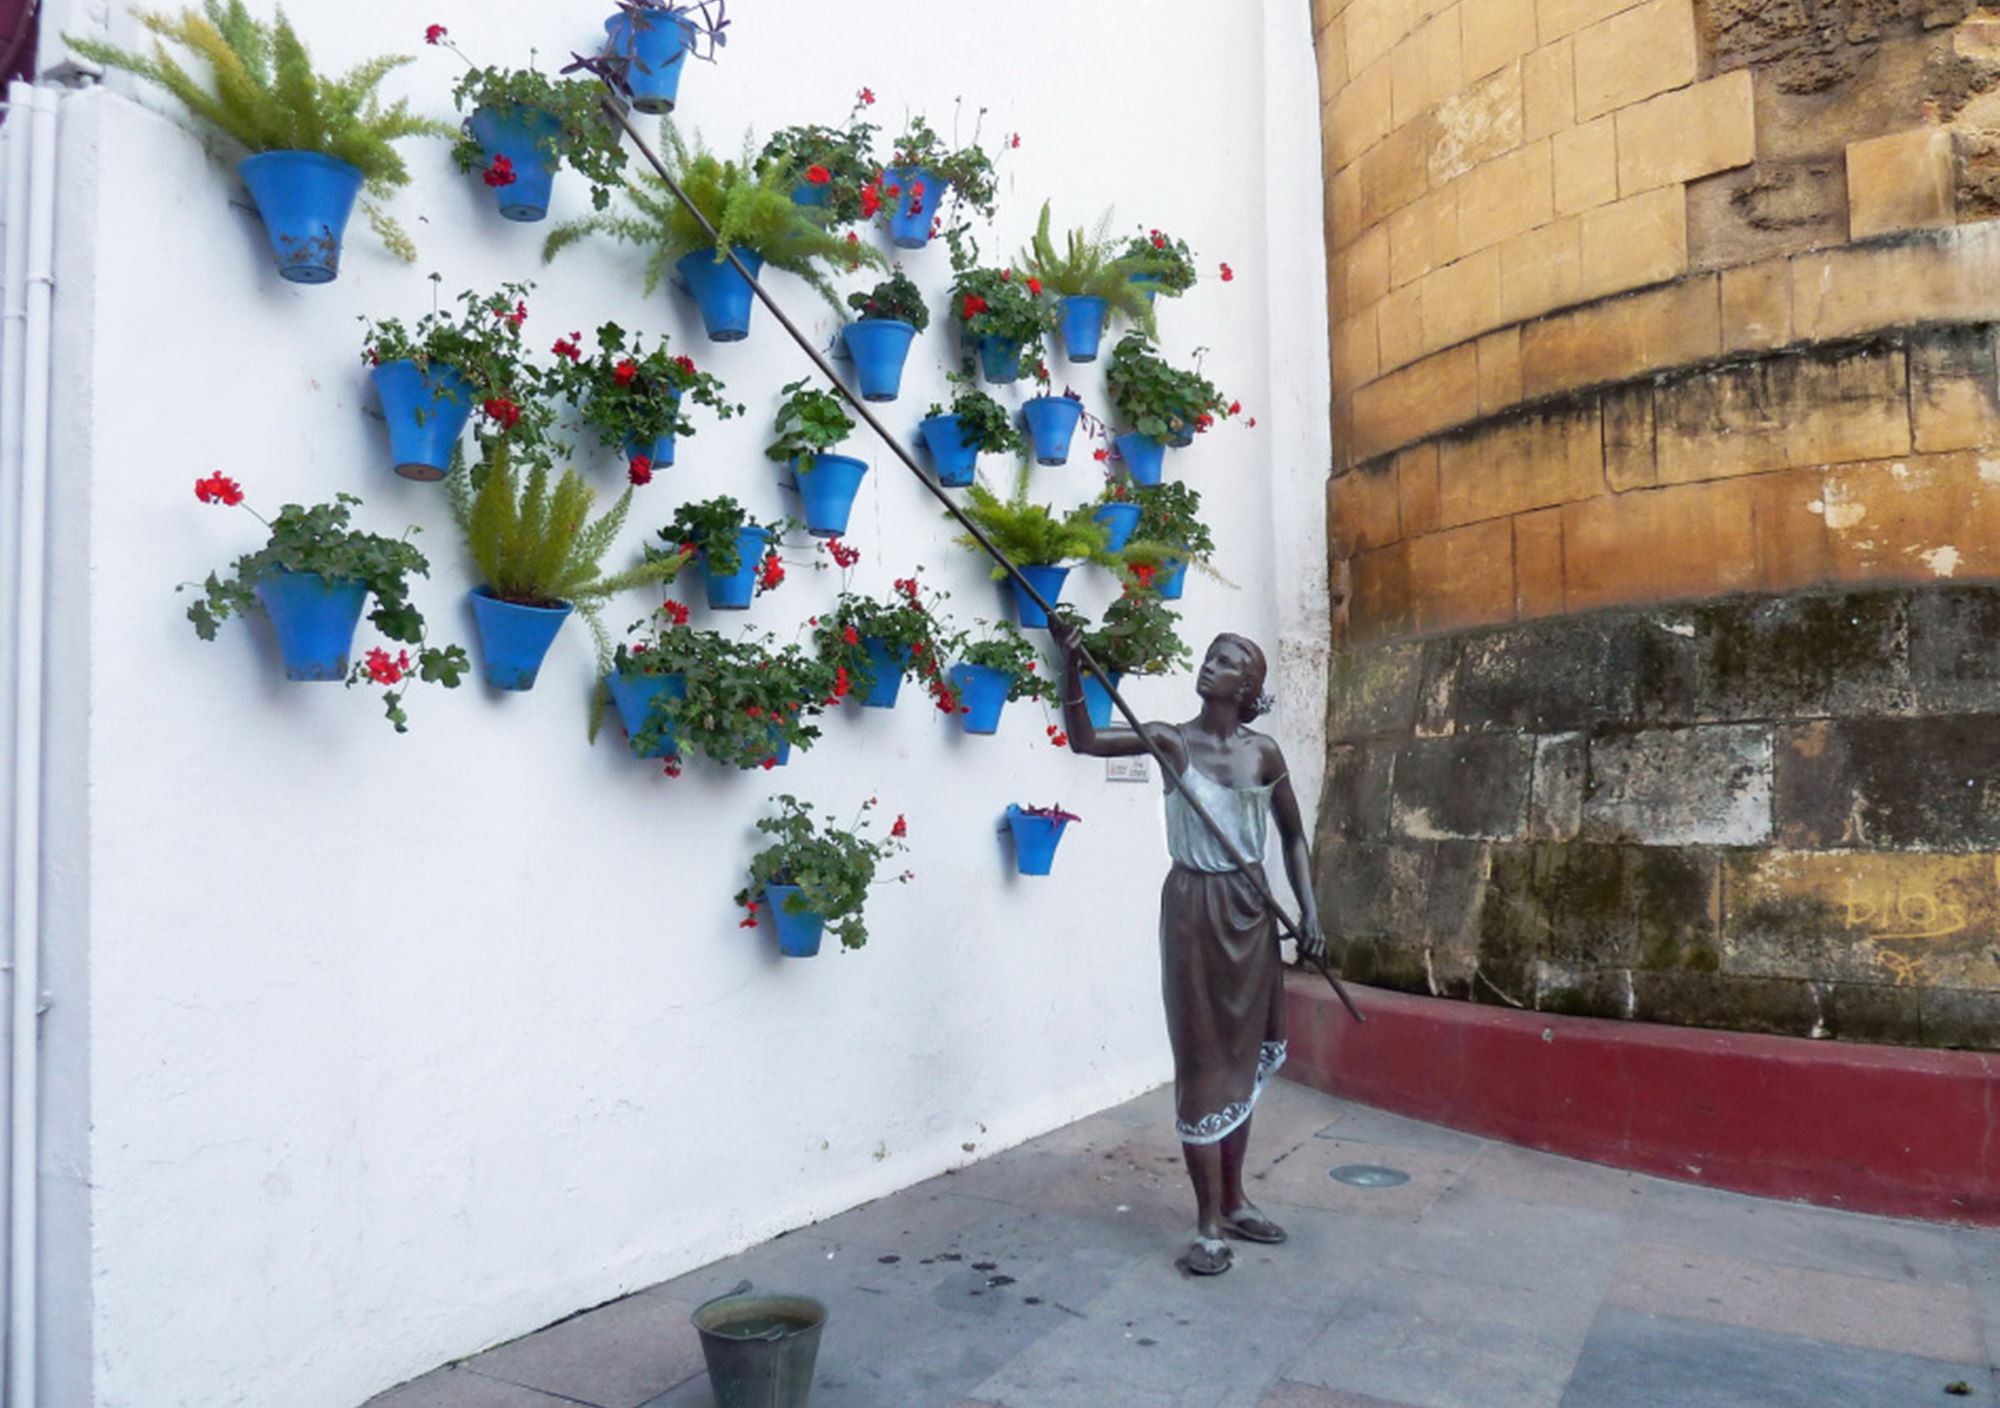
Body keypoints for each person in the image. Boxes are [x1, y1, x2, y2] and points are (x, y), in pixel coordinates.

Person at [1049, 623, 1328, 1277]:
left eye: (1230, 660)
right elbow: (1085, 740)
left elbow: (1292, 837)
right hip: (1194, 915)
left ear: (1249, 687)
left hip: (1251, 915)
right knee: (1203, 1063)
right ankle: (1206, 1223)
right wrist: (1072, 667)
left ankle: (1234, 1200)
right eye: (1211, 655)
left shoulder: (1264, 754)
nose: (1213, 664)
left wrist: (1311, 914)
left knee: (1238, 1060)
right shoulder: (1171, 741)